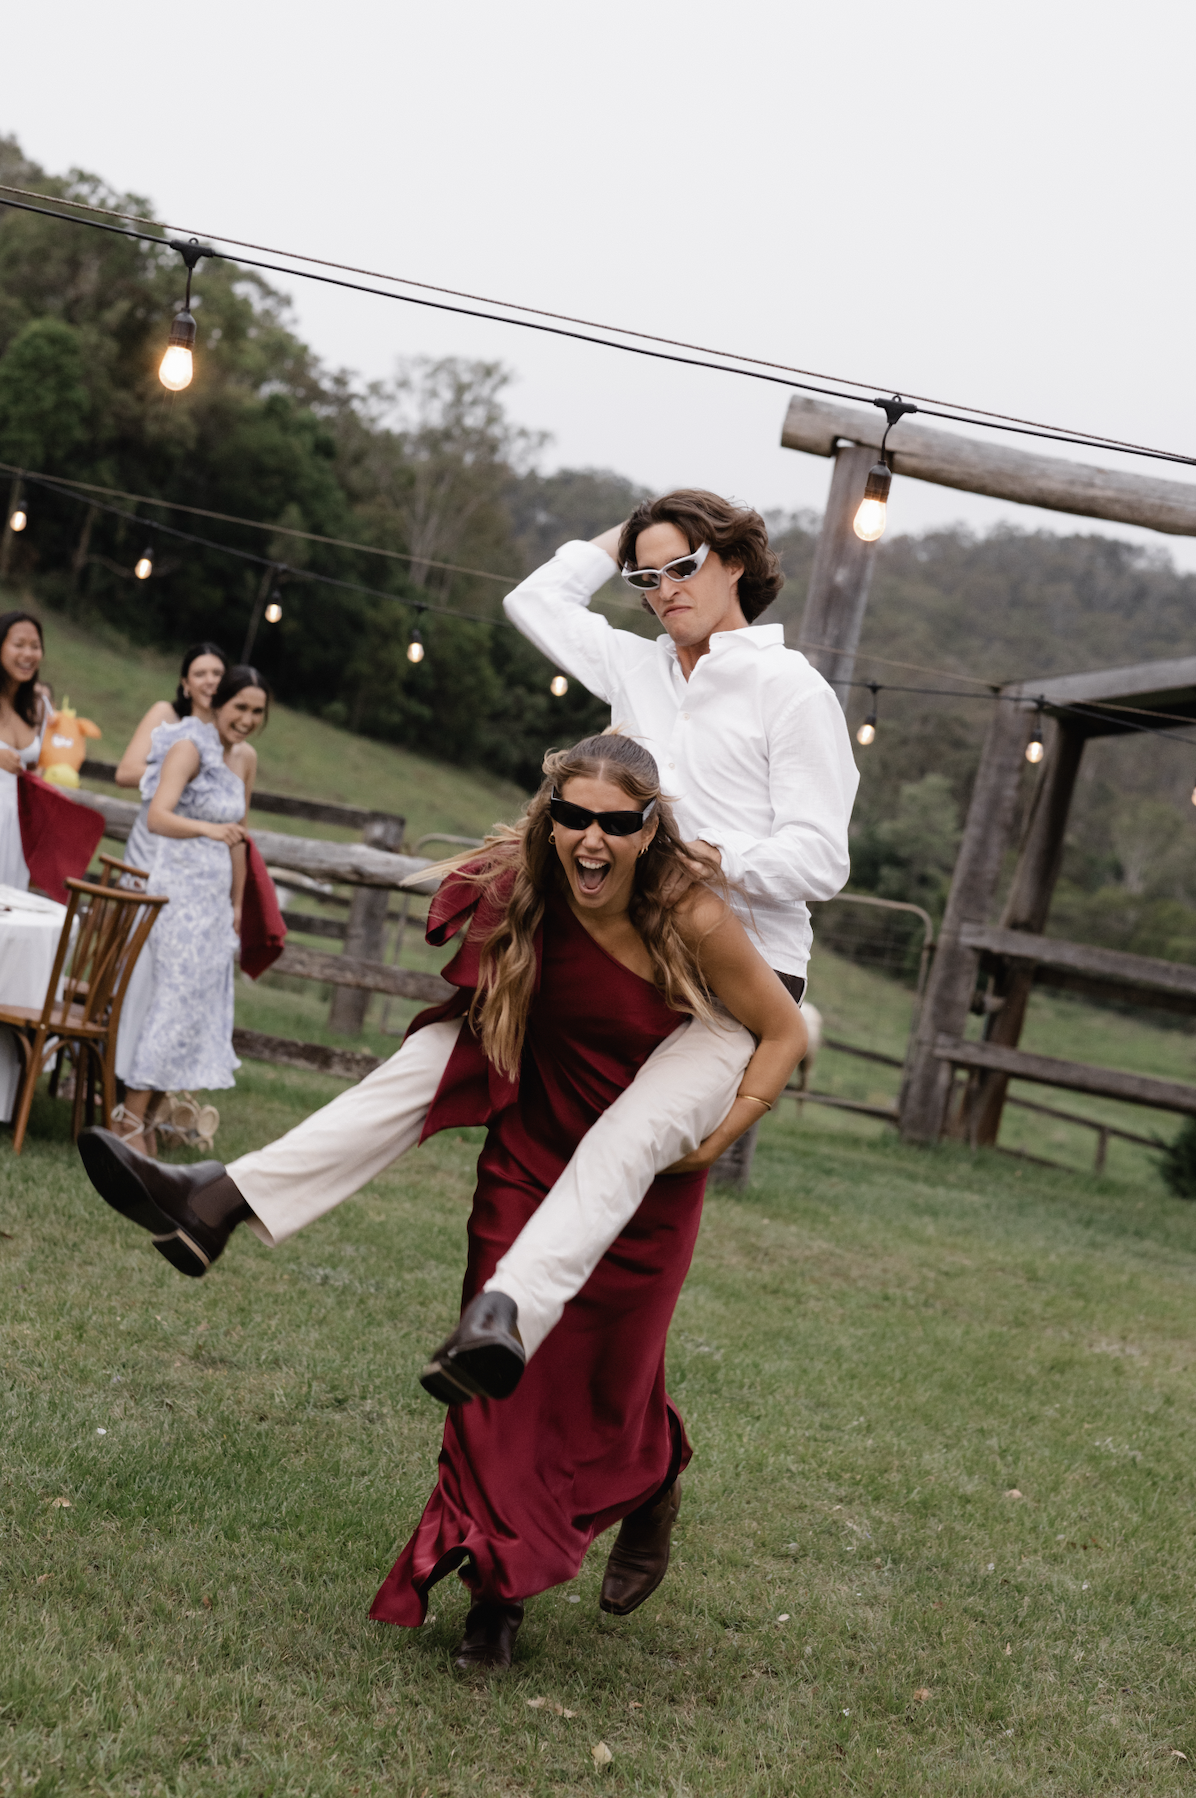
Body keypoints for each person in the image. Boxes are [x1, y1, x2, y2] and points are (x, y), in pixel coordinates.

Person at [84, 734, 807, 1668]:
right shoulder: (525, 887)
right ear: (551, 820)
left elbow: (781, 1030)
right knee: (487, 1347)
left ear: (649, 827)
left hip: (644, 1180)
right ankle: (493, 1596)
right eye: (574, 818)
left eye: (617, 823)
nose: (593, 839)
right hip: (538, 1132)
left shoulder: (687, 913)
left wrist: (724, 1130)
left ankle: (655, 1479)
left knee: (609, 1389)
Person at [74, 490, 856, 1351]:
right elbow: (535, 601)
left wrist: (722, 857)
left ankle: (505, 1314)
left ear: (736, 562)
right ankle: (217, 1201)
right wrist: (625, 533)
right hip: (618, 940)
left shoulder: (792, 690)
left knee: (632, 1135)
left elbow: (823, 859)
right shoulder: (638, 666)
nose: (664, 589)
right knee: (439, 1055)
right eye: (645, 575)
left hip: (733, 977)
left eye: (683, 567)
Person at [109, 665, 267, 1156]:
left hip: (213, 901)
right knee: (172, 1003)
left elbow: (239, 836)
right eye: (239, 707)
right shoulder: (188, 747)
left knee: (196, 1008)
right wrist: (206, 831)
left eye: (258, 711)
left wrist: (238, 903)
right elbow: (158, 815)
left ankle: (152, 1113)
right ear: (219, 703)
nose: (246, 719)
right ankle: (128, 1117)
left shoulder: (244, 759)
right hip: (176, 893)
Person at [115, 642, 228, 874]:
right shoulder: (166, 715)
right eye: (200, 674)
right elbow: (125, 773)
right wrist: (180, 775)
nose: (211, 680)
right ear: (185, 684)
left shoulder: (228, 738)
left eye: (218, 674)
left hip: (195, 861)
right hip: (151, 851)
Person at [0, 611, 51, 890]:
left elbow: (36, 767)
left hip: (17, 830)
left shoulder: (38, 706)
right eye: (19, 645)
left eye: (35, 646)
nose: (28, 654)